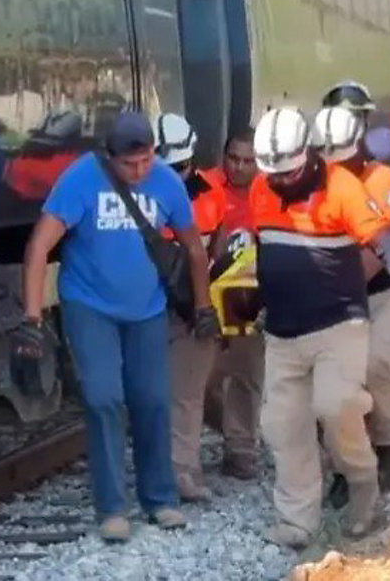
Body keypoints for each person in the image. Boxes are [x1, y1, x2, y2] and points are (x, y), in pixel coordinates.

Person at [18, 111, 217, 542]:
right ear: (110, 157)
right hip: (90, 305)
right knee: (103, 397)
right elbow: (39, 246)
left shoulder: (166, 182)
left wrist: (203, 307)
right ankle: (112, 507)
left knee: (152, 400)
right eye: (130, 164)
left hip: (147, 309)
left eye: (146, 160)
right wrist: (32, 318)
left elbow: (194, 248)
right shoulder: (80, 179)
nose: (140, 171)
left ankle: (159, 498)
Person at [249, 107, 390, 548]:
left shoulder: (342, 188)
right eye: (273, 175)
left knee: (336, 407)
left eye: (288, 173)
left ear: (308, 154)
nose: (280, 182)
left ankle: (363, 483)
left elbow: (389, 245)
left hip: (339, 325)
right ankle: (297, 520)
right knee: (283, 425)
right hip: (282, 332)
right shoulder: (262, 186)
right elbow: (263, 251)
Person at [313, 105, 390, 494]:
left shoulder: (387, 183)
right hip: (337, 292)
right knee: (333, 382)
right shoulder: (314, 187)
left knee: (377, 363)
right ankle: (344, 467)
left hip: (387, 289)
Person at [152, 113, 230, 501]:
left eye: (180, 168)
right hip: (147, 306)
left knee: (186, 392)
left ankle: (182, 472)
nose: (175, 176)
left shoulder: (212, 195)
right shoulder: (133, 196)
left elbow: (219, 249)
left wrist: (207, 307)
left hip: (191, 306)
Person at [202, 127, 266, 480]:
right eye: (233, 159)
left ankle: (241, 449)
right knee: (202, 377)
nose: (239, 167)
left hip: (247, 297)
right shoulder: (205, 186)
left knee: (245, 373)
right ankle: (232, 428)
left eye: (248, 161)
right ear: (223, 157)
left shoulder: (270, 191)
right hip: (206, 293)